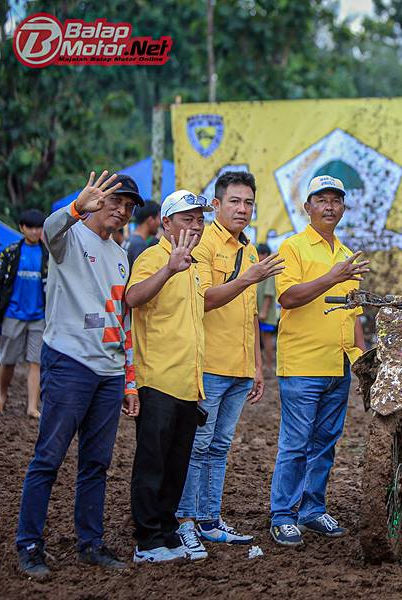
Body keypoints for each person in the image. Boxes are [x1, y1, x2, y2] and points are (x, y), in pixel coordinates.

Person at [15, 170, 142, 578]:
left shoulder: (121, 256)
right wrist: (73, 207)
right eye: (115, 200)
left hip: (108, 371)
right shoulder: (67, 239)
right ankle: (29, 544)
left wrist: (128, 378)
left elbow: (122, 319)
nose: (121, 210)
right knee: (48, 458)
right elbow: (51, 228)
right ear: (96, 200)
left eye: (128, 205)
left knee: (96, 463)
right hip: (69, 362)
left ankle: (91, 543)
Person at [175, 172, 284, 557]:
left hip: (239, 366)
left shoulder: (250, 249)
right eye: (235, 201)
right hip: (208, 364)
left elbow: (250, 312)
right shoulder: (201, 243)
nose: (243, 209)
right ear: (216, 205)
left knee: (220, 446)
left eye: (249, 203)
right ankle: (185, 521)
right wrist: (246, 278)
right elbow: (201, 299)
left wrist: (257, 365)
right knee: (198, 444)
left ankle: (210, 519)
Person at [269, 175, 369, 547]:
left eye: (336, 200)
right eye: (321, 200)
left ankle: (312, 509)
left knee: (326, 441)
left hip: (338, 364)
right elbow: (289, 298)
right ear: (307, 207)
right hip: (302, 364)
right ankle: (282, 514)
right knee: (296, 443)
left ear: (343, 208)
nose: (330, 206)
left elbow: (354, 314)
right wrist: (332, 277)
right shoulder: (291, 247)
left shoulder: (346, 255)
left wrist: (360, 360)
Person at [126, 190, 211, 563]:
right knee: (153, 462)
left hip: (187, 382)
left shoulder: (194, 266)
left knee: (176, 464)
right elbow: (133, 298)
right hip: (157, 378)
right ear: (166, 223)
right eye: (187, 219)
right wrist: (168, 269)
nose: (195, 226)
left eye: (199, 219)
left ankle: (165, 530)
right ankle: (146, 540)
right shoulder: (153, 257)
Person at [0, 210, 48, 418]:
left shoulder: (47, 254)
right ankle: (2, 396)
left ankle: (32, 406)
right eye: (30, 227)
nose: (34, 231)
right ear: (22, 228)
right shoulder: (11, 252)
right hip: (13, 313)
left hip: (39, 316)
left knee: (36, 362)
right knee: (8, 360)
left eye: (38, 227)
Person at [256, 242, 279, 373]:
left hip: (266, 312)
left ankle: (269, 365)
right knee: (260, 338)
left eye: (259, 254)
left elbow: (269, 293)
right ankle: (263, 364)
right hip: (258, 310)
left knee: (267, 337)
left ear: (264, 254)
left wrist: (264, 311)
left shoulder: (270, 269)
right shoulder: (260, 269)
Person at [127, 200, 160, 267]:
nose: (159, 223)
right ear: (150, 220)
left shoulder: (129, 239)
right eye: (158, 218)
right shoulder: (140, 245)